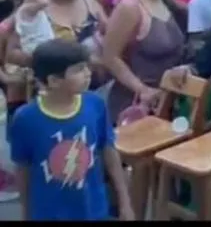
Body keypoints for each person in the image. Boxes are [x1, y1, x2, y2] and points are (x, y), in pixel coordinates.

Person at [9, 39, 132, 220]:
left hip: (93, 210)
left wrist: (125, 203)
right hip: (49, 214)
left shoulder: (95, 105)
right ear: (53, 81)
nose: (88, 74)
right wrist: (26, 213)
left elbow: (109, 150)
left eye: (87, 67)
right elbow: (23, 169)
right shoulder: (25, 119)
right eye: (78, 70)